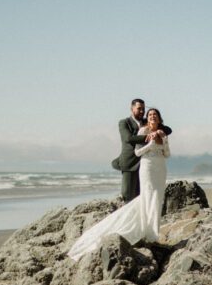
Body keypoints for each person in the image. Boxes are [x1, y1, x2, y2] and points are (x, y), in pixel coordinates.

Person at [69, 107, 172, 261]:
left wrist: (162, 141)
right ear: (147, 118)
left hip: (160, 168)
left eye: (155, 115)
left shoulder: (163, 132)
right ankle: (149, 234)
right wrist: (151, 142)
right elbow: (137, 152)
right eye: (150, 115)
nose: (152, 117)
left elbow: (168, 154)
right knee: (147, 198)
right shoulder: (143, 131)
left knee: (158, 199)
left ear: (159, 119)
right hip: (148, 167)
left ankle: (153, 233)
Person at [112, 98, 171, 201]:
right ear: (132, 108)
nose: (142, 111)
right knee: (128, 196)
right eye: (139, 109)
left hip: (146, 164)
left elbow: (168, 129)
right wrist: (148, 137)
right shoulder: (124, 122)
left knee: (142, 196)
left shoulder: (146, 121)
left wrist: (159, 131)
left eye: (143, 109)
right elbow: (128, 138)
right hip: (130, 163)